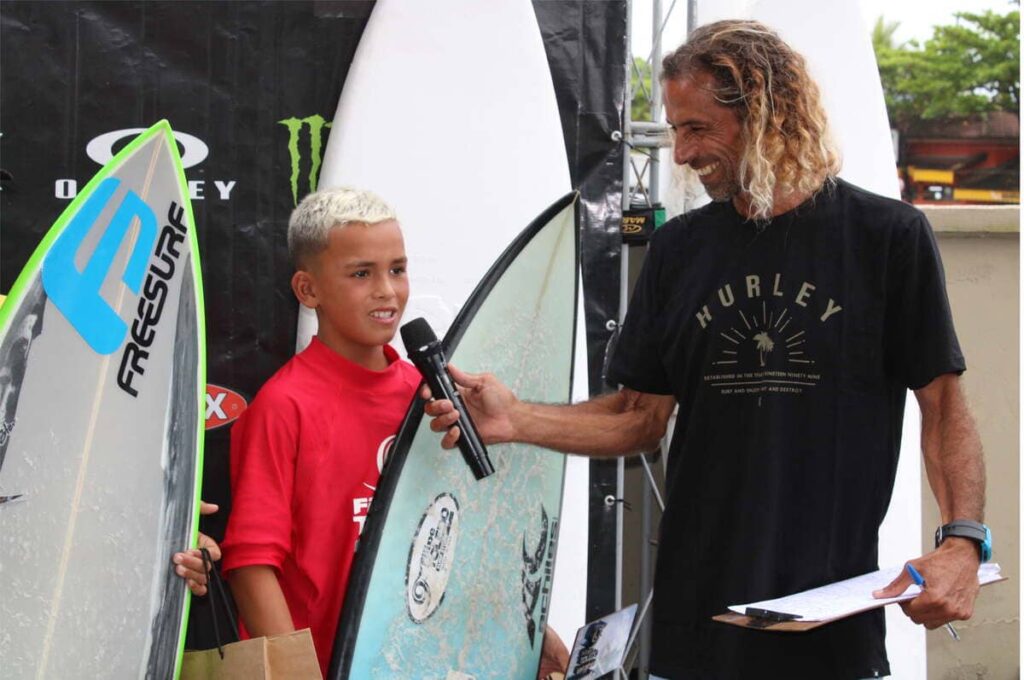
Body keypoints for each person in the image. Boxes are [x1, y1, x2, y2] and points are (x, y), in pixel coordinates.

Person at [423, 20, 987, 679]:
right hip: (698, 628)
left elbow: (943, 408)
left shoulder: (886, 238)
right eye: (673, 130)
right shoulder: (680, 251)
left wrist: (963, 543)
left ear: (766, 113)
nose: (682, 153)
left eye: (696, 128)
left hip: (832, 621)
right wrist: (515, 419)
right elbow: (638, 416)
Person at [218, 187, 421, 676]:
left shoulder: (423, 392)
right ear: (308, 290)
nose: (387, 291)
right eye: (361, 274)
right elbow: (250, 564)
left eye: (397, 269)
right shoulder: (284, 405)